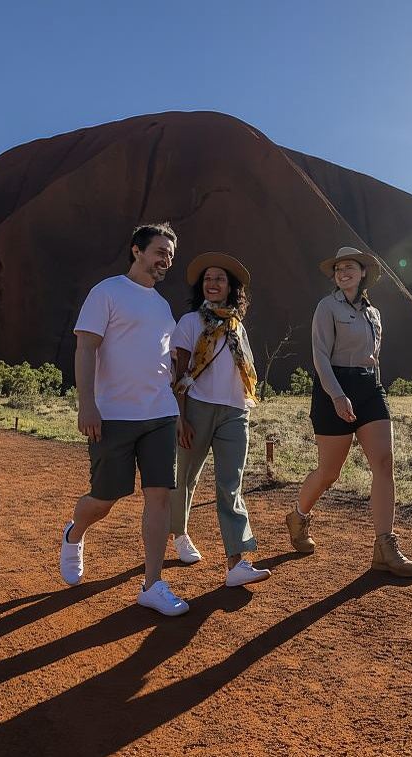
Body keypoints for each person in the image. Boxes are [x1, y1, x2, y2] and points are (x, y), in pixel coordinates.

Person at [59, 222, 190, 616]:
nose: (165, 261)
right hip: (114, 415)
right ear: (137, 250)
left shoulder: (162, 305)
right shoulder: (108, 291)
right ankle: (75, 531)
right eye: (159, 252)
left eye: (170, 255)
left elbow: (163, 360)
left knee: (159, 496)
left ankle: (152, 584)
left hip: (160, 414)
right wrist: (87, 404)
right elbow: (85, 348)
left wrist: (178, 403)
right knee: (104, 499)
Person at [285, 246, 412, 577]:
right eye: (338, 268)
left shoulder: (373, 314)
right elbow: (320, 355)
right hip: (334, 385)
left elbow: (374, 354)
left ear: (363, 274)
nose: (343, 272)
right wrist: (337, 395)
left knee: (384, 463)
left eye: (350, 267)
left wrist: (371, 378)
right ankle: (299, 516)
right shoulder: (327, 307)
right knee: (329, 473)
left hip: (368, 388)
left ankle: (384, 546)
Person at [168, 252, 271, 588]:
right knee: (185, 477)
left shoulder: (237, 327)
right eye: (208, 279)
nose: (212, 284)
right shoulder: (189, 323)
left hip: (234, 412)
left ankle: (236, 562)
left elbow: (245, 372)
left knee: (231, 485)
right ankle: (180, 534)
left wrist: (244, 407)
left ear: (231, 288)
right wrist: (180, 418)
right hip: (196, 408)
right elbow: (179, 372)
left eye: (220, 279)